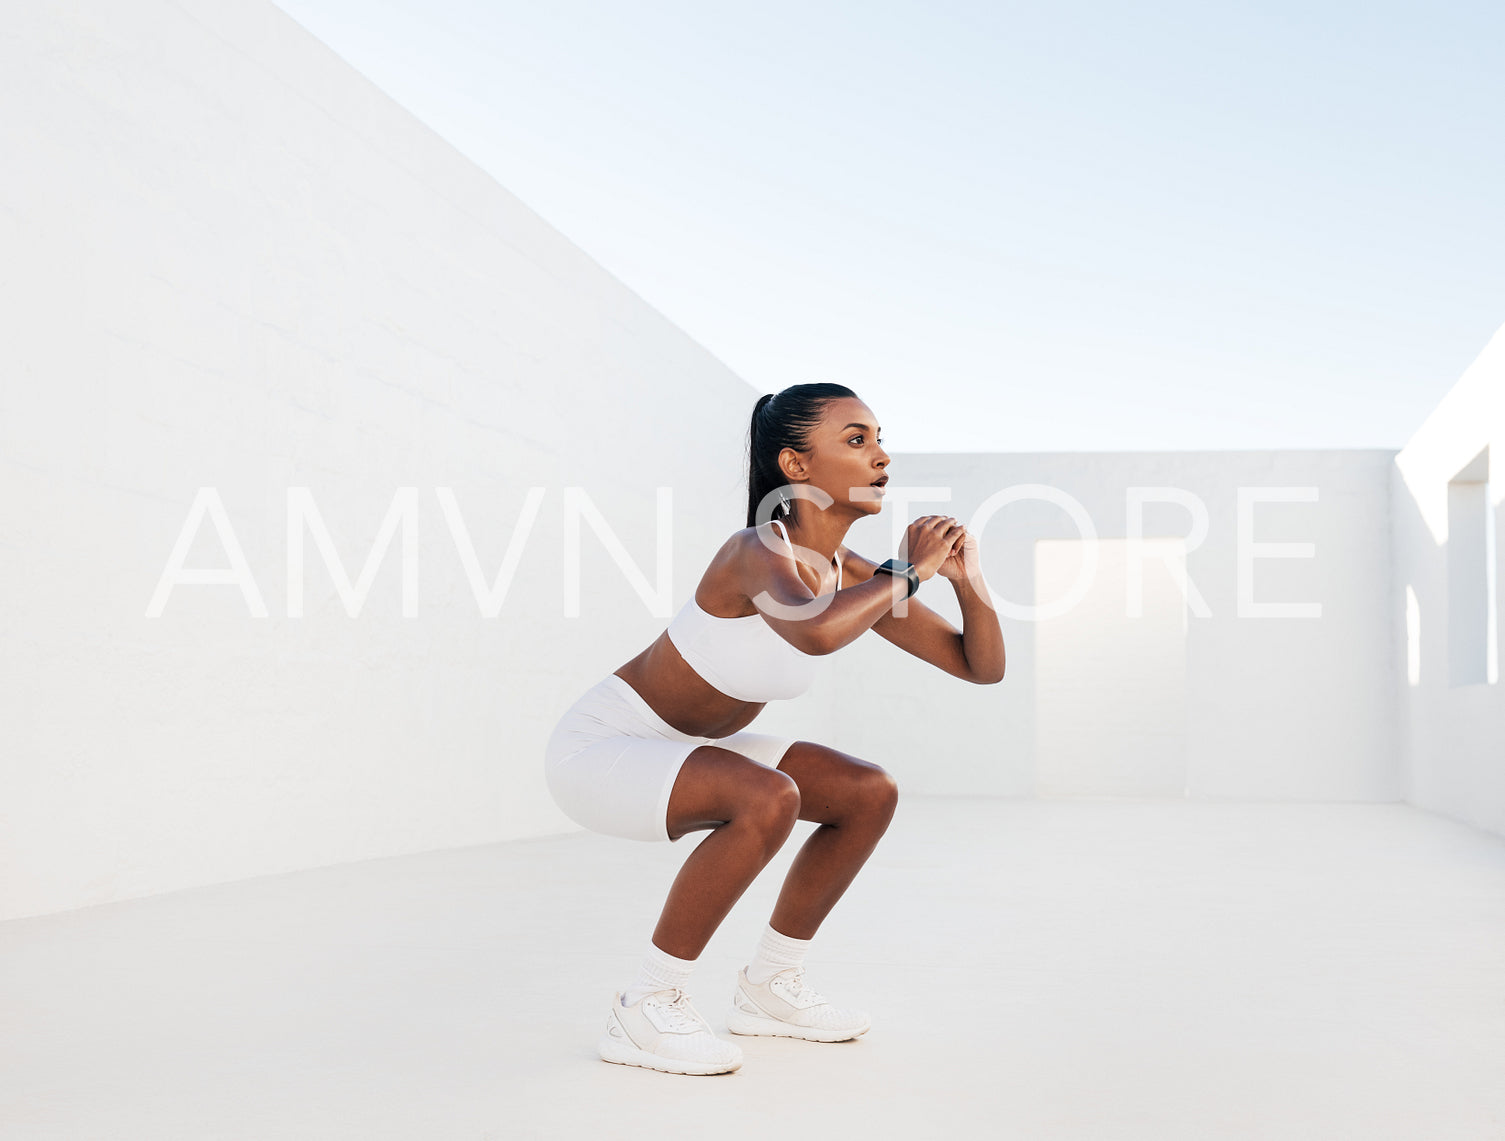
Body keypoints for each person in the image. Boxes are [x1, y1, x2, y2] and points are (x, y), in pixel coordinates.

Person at [543, 383, 1006, 1075]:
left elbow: (980, 667)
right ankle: (644, 1003)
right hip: (605, 748)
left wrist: (965, 581)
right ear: (794, 465)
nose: (880, 455)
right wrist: (909, 573)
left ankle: (768, 988)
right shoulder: (754, 550)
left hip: (696, 747)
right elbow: (815, 632)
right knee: (768, 796)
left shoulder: (855, 575)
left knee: (865, 791)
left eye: (879, 438)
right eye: (855, 439)